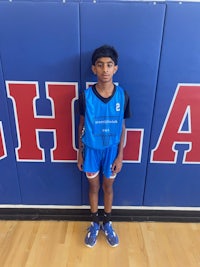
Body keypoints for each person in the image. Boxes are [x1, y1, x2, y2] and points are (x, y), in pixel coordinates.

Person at [77, 45, 131, 248]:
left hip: (111, 151)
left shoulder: (123, 96)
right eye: (100, 65)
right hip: (91, 150)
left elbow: (123, 126)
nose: (105, 69)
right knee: (93, 186)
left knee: (108, 187)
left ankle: (107, 222)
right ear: (93, 69)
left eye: (109, 65)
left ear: (115, 68)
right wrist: (79, 153)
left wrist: (120, 156)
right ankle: (94, 222)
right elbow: (81, 125)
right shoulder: (85, 96)